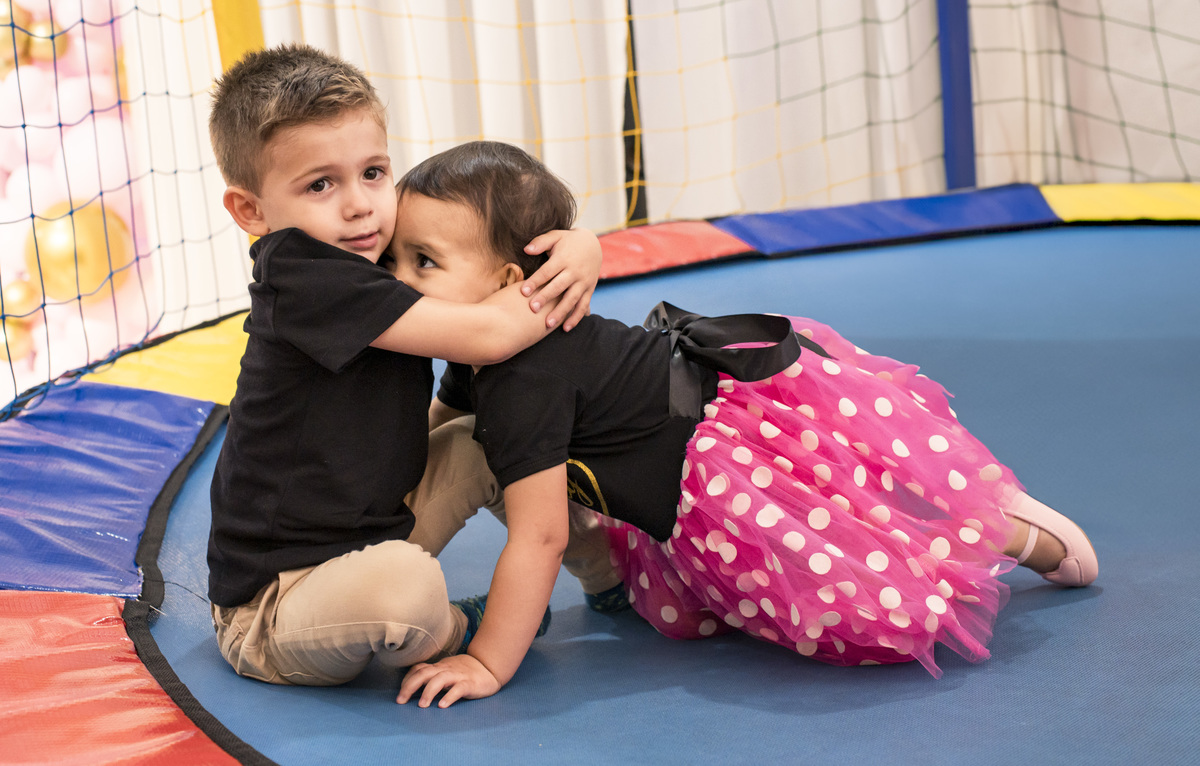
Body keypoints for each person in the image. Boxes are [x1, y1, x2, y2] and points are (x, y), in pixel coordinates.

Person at [388, 141, 1099, 708]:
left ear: (514, 283)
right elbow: (441, 427)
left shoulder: (524, 380)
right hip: (673, 462)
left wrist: (487, 662)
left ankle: (998, 530)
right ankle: (967, 520)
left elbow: (539, 533)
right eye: (393, 258)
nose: (394, 280)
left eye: (423, 263)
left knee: (849, 587)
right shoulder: (483, 349)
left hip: (719, 458)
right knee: (827, 524)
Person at [204, 44, 620, 691]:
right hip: (279, 603)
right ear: (252, 211)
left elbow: (479, 253)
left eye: (373, 173)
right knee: (404, 587)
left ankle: (614, 576)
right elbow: (488, 334)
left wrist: (577, 240)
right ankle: (460, 628)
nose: (360, 205)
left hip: (378, 524)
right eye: (321, 184)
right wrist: (583, 258)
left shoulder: (378, 255)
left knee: (497, 448)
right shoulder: (300, 272)